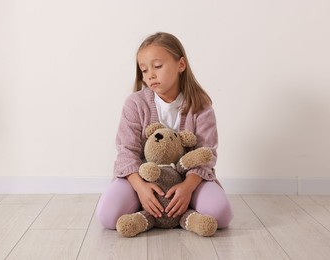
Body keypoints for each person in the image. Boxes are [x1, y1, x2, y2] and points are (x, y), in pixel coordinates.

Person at [96, 32, 233, 230]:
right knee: (108, 218)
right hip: (143, 179)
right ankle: (148, 208)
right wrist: (141, 188)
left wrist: (187, 188)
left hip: (189, 180)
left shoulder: (200, 105)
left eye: (157, 66)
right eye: (144, 70)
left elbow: (206, 153)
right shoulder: (135, 104)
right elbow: (126, 152)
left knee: (221, 215)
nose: (150, 74)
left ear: (181, 65)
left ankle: (183, 212)